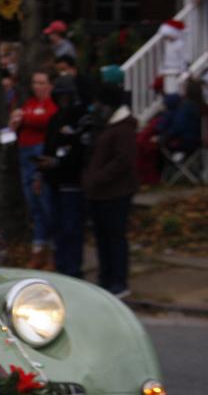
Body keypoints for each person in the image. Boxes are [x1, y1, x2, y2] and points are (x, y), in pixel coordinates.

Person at [83, 83, 138, 298]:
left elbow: (123, 161)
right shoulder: (107, 126)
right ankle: (105, 277)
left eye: (101, 103)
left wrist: (98, 177)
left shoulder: (123, 128)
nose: (97, 107)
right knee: (103, 238)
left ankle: (119, 281)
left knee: (115, 238)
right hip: (101, 193)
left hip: (117, 193)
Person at [37, 76, 93, 278]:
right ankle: (60, 266)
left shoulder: (82, 119)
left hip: (72, 183)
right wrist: (42, 169)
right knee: (56, 226)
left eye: (66, 97)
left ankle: (73, 269)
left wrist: (58, 162)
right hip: (53, 181)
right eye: (59, 97)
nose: (63, 101)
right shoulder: (56, 118)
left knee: (72, 228)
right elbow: (49, 145)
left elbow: (80, 151)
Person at [10, 70, 57, 269]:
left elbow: (45, 120)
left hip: (39, 159)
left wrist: (25, 118)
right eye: (35, 82)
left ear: (50, 85)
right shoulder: (30, 104)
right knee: (35, 209)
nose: (37, 86)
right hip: (24, 157)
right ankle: (38, 251)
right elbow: (15, 123)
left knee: (47, 207)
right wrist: (14, 122)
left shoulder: (51, 105)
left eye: (42, 82)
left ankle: (55, 252)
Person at [158, 19, 187, 95]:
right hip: (168, 69)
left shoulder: (180, 44)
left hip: (177, 69)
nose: (167, 37)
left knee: (176, 89)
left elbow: (182, 58)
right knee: (167, 88)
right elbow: (165, 58)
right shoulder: (168, 44)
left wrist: (182, 70)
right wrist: (161, 70)